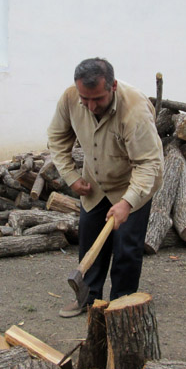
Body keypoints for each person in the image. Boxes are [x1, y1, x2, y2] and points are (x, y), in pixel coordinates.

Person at [47, 58, 164, 317]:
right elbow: (56, 137)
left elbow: (148, 165)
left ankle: (121, 307)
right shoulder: (70, 99)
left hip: (134, 184)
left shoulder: (134, 111)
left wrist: (127, 203)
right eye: (84, 98)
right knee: (89, 242)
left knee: (126, 248)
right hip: (96, 183)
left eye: (97, 99)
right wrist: (71, 176)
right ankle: (88, 300)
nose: (90, 106)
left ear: (112, 86)